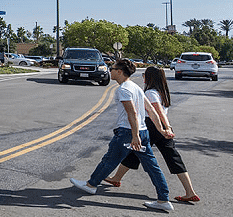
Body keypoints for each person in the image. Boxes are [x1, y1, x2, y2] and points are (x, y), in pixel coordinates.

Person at [69, 59, 175, 212]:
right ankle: (163, 199)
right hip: (143, 131)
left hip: (128, 132)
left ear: (119, 71)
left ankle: (91, 185)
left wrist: (135, 136)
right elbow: (151, 111)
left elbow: (132, 113)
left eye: (112, 68)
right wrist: (161, 130)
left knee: (110, 159)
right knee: (152, 167)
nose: (110, 70)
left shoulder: (124, 89)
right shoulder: (136, 87)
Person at [103, 66, 200, 203]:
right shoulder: (162, 92)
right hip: (161, 127)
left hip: (153, 126)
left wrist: (166, 128)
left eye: (144, 75)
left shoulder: (150, 93)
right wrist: (167, 128)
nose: (143, 77)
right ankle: (190, 191)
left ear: (149, 78)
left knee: (136, 151)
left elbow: (158, 111)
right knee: (173, 158)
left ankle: (116, 178)